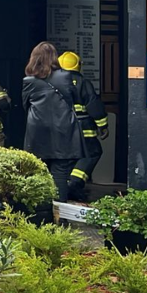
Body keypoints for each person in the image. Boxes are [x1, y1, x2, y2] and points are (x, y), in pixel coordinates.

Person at [22, 42, 86, 202]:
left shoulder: (28, 80)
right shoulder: (66, 76)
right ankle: (59, 214)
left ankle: (40, 211)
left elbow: (25, 105)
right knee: (60, 173)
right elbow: (76, 99)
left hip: (37, 132)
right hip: (63, 131)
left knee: (38, 171)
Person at [59, 52, 109, 202]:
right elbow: (94, 106)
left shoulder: (53, 83)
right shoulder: (83, 83)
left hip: (61, 129)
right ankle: (75, 183)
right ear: (78, 65)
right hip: (83, 129)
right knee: (92, 153)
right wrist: (103, 126)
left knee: (66, 158)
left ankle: (65, 187)